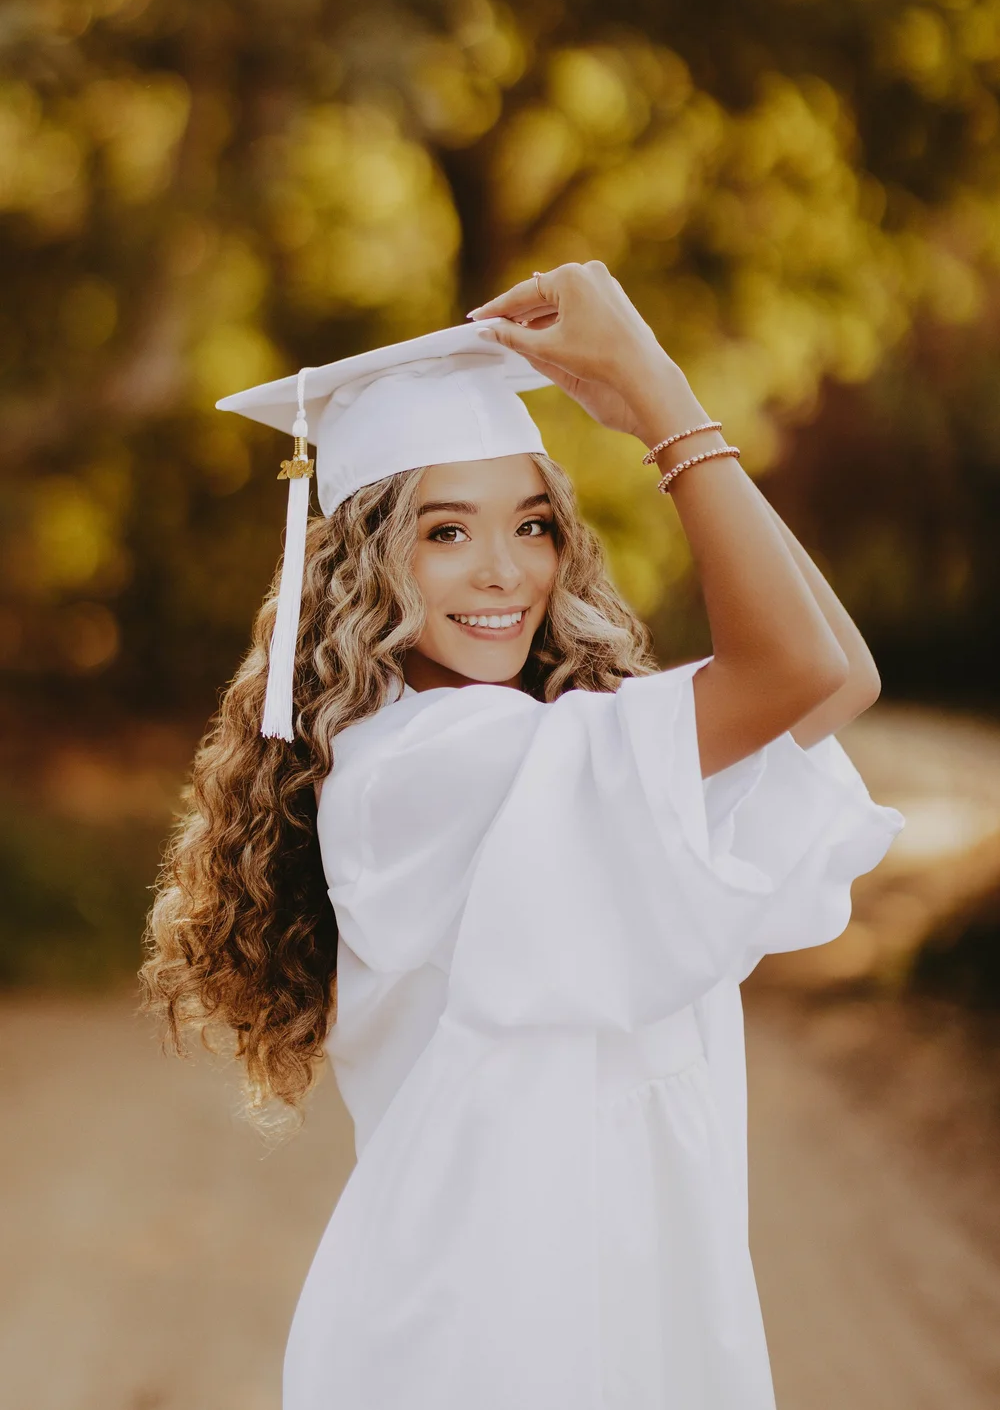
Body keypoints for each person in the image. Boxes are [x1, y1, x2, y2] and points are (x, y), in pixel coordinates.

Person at [140, 261, 904, 1410]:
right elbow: (792, 668)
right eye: (446, 530)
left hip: (625, 1325)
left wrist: (664, 398)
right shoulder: (428, 768)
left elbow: (835, 677)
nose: (504, 570)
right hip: (478, 1342)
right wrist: (657, 396)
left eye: (533, 523)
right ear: (359, 564)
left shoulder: (548, 751)